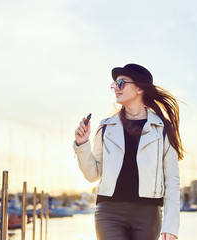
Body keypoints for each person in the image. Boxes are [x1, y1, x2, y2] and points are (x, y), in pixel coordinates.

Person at [73, 63, 183, 240]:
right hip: (109, 212)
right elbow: (92, 175)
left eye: (122, 83)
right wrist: (82, 144)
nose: (116, 88)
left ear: (140, 88)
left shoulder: (162, 128)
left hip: (148, 214)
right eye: (114, 84)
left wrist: (171, 225)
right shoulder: (106, 126)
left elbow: (172, 180)